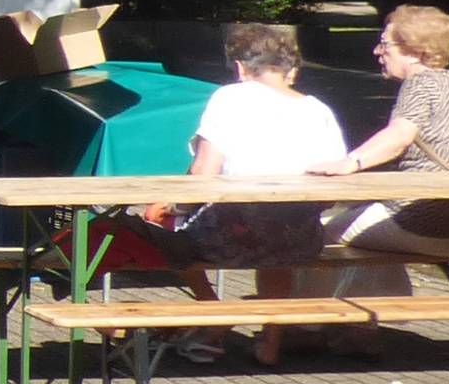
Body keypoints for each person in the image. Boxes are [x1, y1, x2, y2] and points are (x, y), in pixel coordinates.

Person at [118, 24, 347, 365]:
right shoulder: (319, 110)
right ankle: (270, 343)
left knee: (161, 224)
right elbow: (333, 187)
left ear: (240, 67)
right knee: (277, 242)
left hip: (231, 238)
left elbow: (203, 174)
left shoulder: (230, 98)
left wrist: (173, 205)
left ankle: (212, 309)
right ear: (291, 70)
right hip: (300, 240)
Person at [311, 6, 449, 257]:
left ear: (414, 52)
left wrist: (351, 162)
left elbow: (399, 136)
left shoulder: (420, 83)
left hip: (429, 225)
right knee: (363, 219)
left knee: (317, 234)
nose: (377, 51)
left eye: (385, 44)